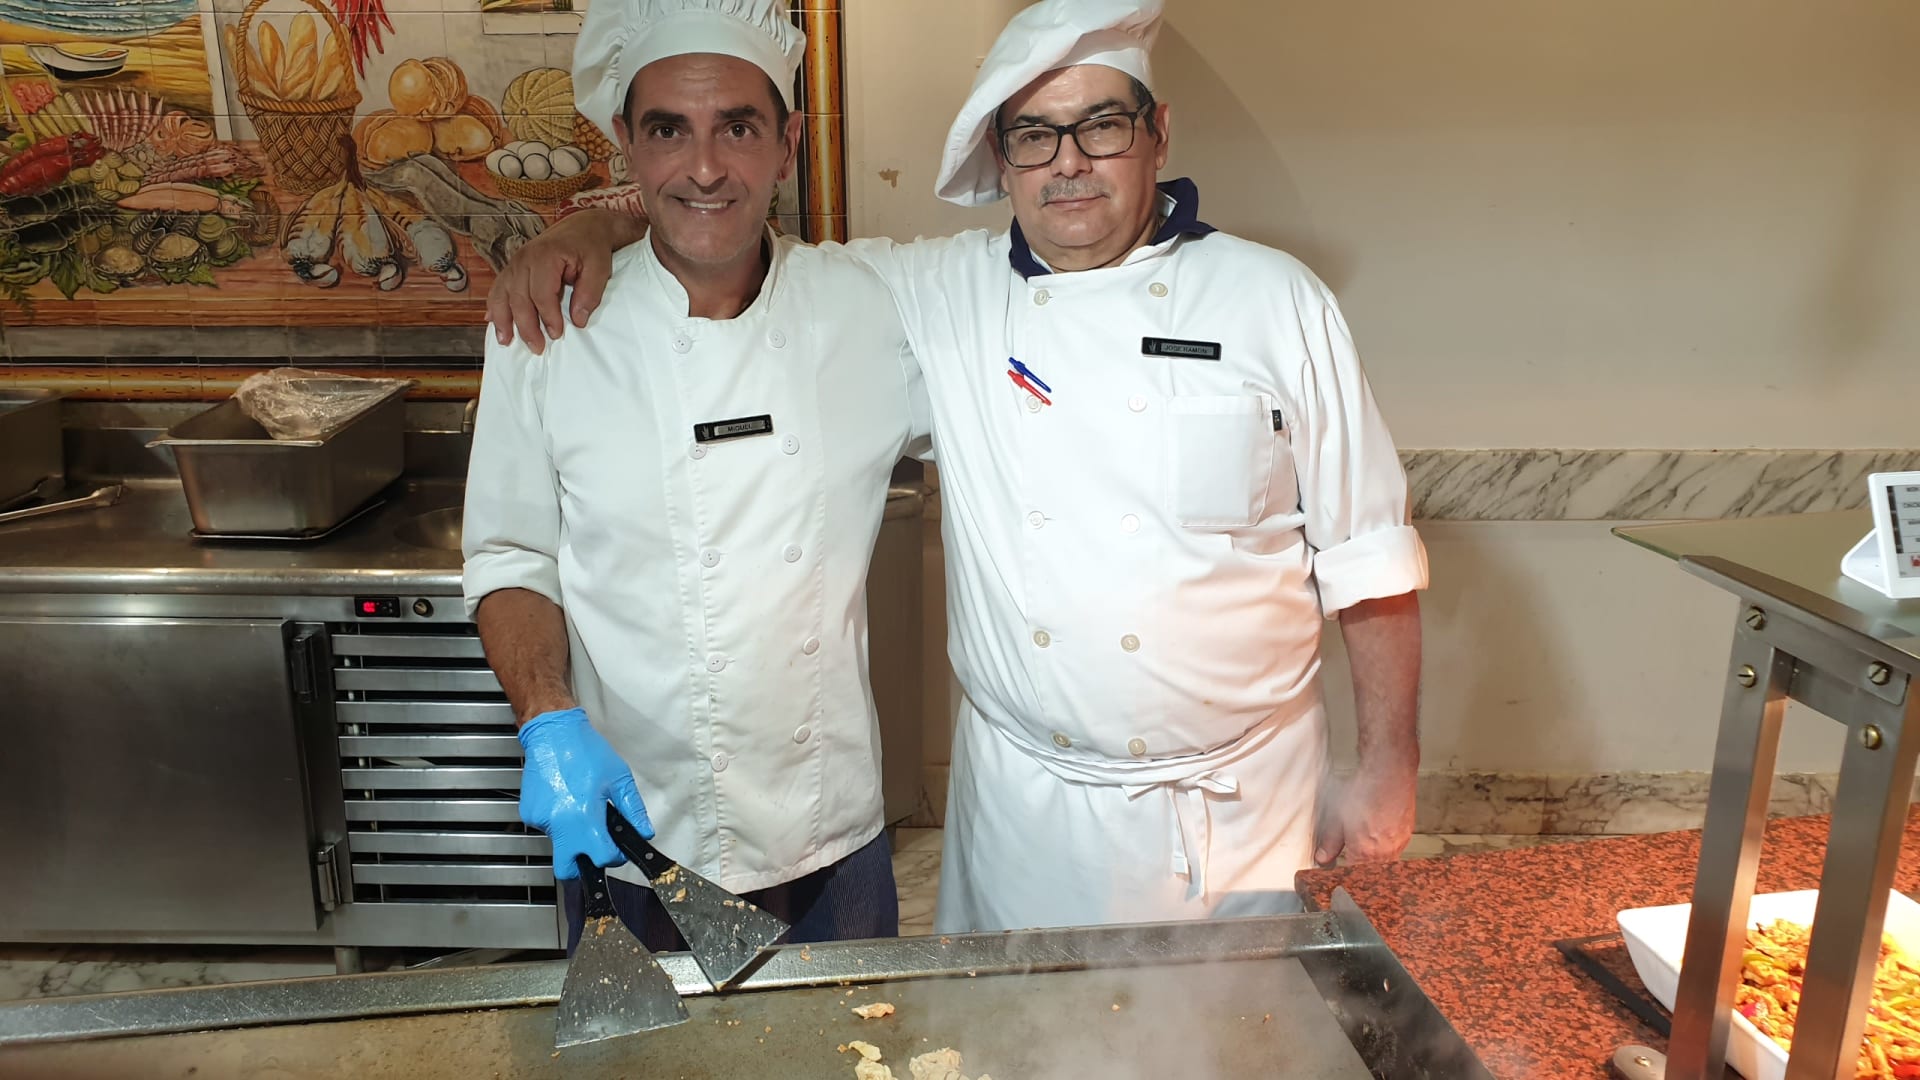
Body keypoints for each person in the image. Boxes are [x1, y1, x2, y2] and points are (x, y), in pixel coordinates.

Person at [486, 0, 1427, 934]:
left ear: (1158, 134)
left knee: (1250, 1021)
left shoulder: (1275, 300)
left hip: (1243, 803)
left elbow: (1369, 553)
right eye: (1034, 136)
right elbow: (704, 227)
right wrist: (584, 233)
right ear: (1003, 161)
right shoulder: (940, 293)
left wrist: (1388, 770)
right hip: (1017, 814)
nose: (1068, 162)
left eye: (1102, 124)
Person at [462, 0, 930, 952]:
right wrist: (546, 717)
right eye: (669, 129)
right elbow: (510, 555)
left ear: (788, 145)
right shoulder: (547, 329)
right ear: (626, 144)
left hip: (830, 832)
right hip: (633, 830)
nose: (706, 167)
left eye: (739, 128)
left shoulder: (872, 308)